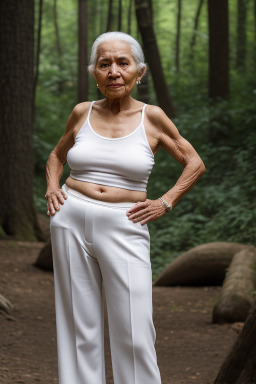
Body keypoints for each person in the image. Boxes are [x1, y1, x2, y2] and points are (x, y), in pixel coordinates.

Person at [45, 31, 206, 384]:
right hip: (70, 219)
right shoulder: (81, 113)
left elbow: (194, 162)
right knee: (78, 326)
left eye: (122, 63)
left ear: (139, 71)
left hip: (125, 223)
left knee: (134, 328)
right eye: (105, 64)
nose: (114, 71)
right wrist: (52, 187)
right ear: (95, 73)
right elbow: (57, 156)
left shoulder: (153, 117)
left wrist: (166, 201)